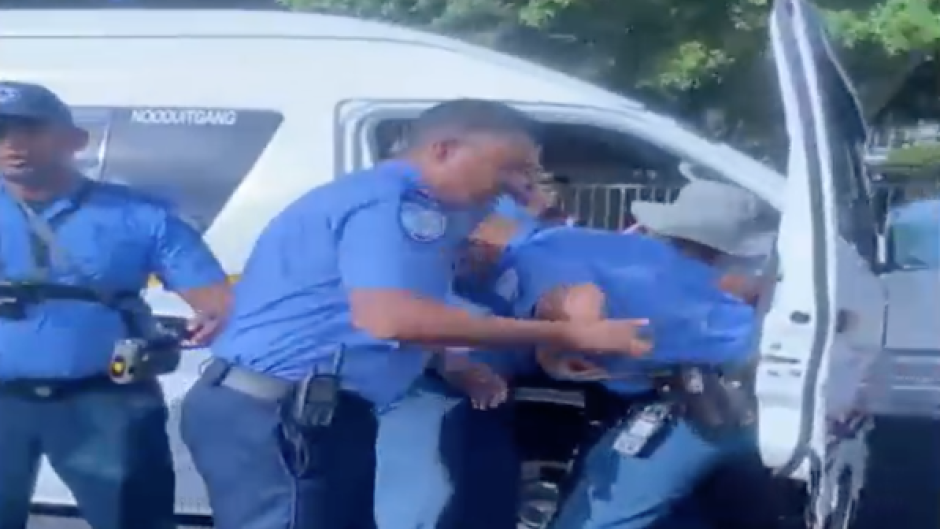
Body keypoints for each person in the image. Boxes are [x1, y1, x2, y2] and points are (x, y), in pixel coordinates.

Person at [178, 99, 652, 529]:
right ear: (445, 150)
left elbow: (380, 306)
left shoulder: (413, 209)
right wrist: (568, 333)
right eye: (510, 168)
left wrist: (452, 361)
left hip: (308, 413)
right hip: (281, 417)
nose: (518, 184)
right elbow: (390, 318)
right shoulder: (396, 207)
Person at [463, 180, 779, 529]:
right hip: (752, 386)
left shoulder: (534, 260)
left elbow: (580, 304)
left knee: (601, 516)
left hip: (707, 393)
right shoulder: (614, 248)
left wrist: (557, 348)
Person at [0, 81, 230, 529]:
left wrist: (210, 321)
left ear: (74, 140)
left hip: (106, 401)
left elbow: (220, 303)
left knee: (133, 520)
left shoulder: (138, 216)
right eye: (1, 130)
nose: (13, 144)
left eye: (30, 129)